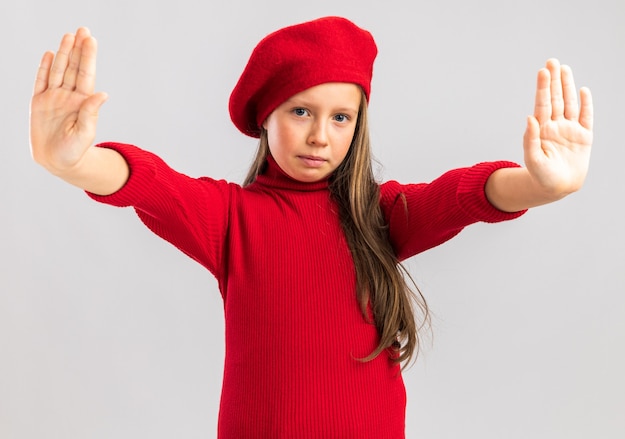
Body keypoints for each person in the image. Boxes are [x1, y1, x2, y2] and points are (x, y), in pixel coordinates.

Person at [29, 16, 593, 439]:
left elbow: (465, 195)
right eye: (301, 112)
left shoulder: (379, 217)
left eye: (340, 117)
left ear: (357, 125)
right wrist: (72, 162)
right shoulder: (230, 219)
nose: (321, 135)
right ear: (265, 118)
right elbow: (149, 181)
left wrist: (543, 185)